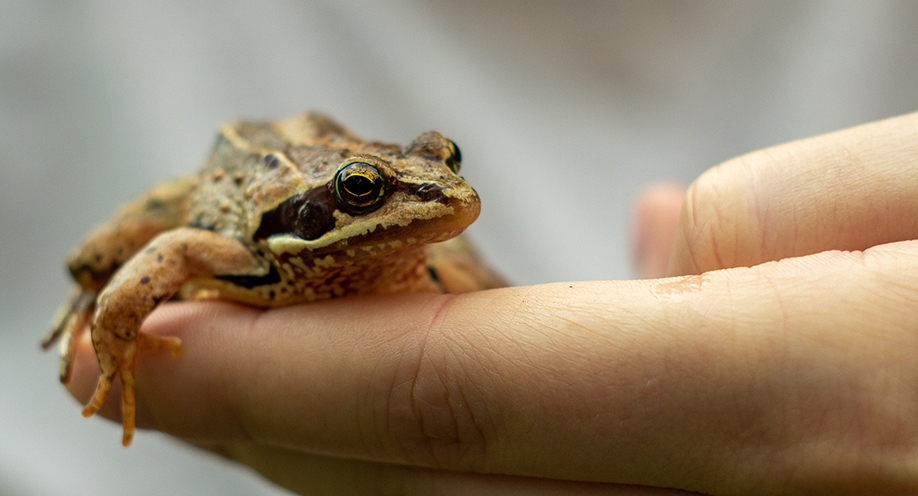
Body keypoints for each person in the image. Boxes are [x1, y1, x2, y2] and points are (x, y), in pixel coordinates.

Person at [67, 112, 918, 495]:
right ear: (335, 201)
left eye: (448, 161)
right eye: (367, 193)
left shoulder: (429, 241)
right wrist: (110, 326)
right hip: (251, 184)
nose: (451, 195)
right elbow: (171, 251)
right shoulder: (243, 251)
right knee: (100, 254)